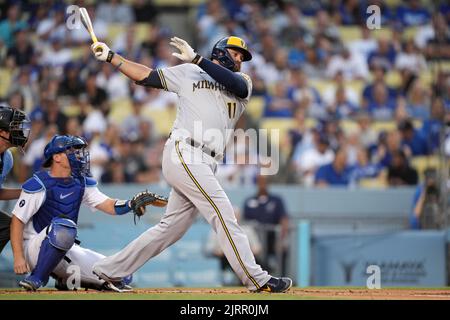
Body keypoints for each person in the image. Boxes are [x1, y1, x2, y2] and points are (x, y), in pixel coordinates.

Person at [89, 35, 292, 292]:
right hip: (185, 150)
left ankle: (106, 271)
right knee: (222, 212)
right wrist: (111, 57)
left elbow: (236, 85)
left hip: (207, 161)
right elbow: (146, 76)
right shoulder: (189, 72)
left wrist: (198, 59)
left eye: (242, 57)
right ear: (219, 52)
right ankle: (257, 279)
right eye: (235, 53)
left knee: (169, 229)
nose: (240, 59)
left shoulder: (243, 82)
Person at [10, 135, 161, 291]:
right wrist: (18, 257)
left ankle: (65, 279)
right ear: (57, 157)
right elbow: (17, 220)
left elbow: (109, 205)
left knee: (118, 274)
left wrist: (131, 204)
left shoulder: (81, 182)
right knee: (64, 227)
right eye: (72, 151)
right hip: (35, 248)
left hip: (65, 248)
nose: (78, 155)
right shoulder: (39, 183)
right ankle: (37, 278)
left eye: (78, 151)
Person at [243, 175, 290, 275]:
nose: (262, 185)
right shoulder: (249, 201)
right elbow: (245, 224)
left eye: (265, 182)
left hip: (273, 238)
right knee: (250, 254)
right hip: (255, 239)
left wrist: (281, 240)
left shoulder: (276, 200)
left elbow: (284, 219)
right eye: (260, 182)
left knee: (283, 251)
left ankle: (282, 278)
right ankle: (255, 278)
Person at [0, 104, 30, 255]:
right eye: (14, 128)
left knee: (7, 225)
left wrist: (25, 192)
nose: (20, 132)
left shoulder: (7, 158)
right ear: (1, 131)